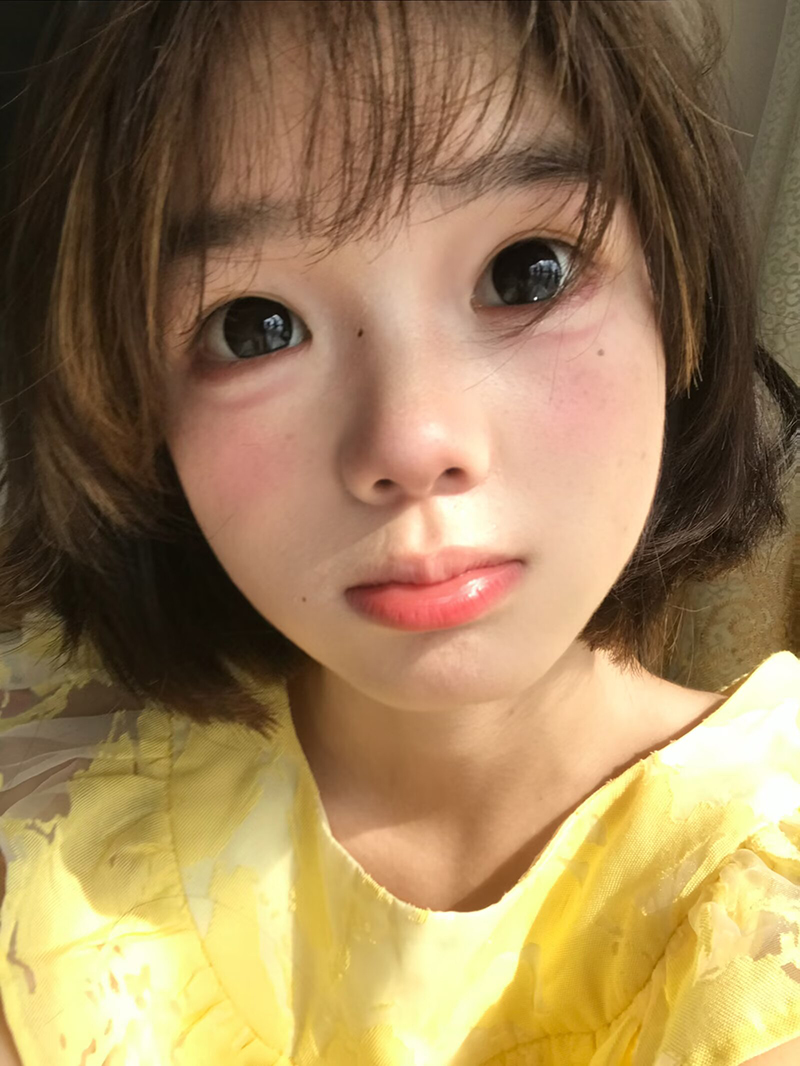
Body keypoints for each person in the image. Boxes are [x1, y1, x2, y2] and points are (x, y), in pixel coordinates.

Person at [0, 0, 797, 1062]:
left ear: (678, 289)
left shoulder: (766, 893)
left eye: (526, 270)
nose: (413, 441)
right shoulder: (55, 769)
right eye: (255, 327)